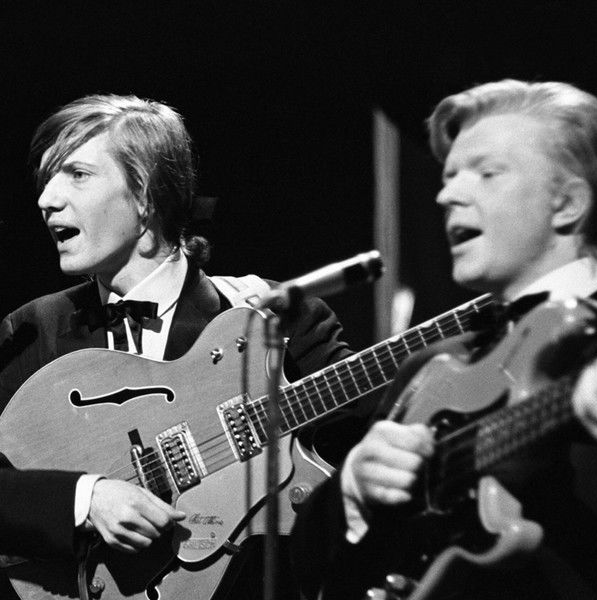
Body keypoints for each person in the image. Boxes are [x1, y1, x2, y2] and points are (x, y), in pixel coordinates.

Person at [0, 94, 352, 600]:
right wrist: (84, 498)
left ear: (145, 196)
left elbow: (382, 431)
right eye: (47, 178)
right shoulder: (34, 330)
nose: (47, 199)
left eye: (77, 175)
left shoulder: (277, 321)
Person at [291, 79, 597, 600]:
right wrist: (353, 488)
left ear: (567, 202)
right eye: (449, 176)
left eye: (486, 173)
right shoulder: (433, 368)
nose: (446, 194)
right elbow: (310, 573)